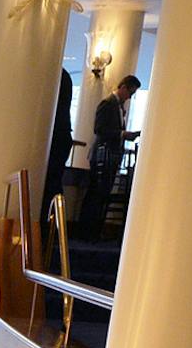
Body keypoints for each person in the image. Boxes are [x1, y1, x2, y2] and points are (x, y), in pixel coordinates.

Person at [78, 73, 142, 240]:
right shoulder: (107, 104)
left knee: (101, 194)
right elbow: (98, 129)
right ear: (123, 87)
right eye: (130, 93)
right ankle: (87, 231)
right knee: (96, 194)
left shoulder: (119, 107)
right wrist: (122, 134)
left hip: (109, 156)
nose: (130, 97)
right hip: (103, 155)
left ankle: (93, 231)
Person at [42, 66, 76, 220]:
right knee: (53, 184)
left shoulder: (53, 74)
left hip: (54, 136)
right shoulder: (64, 76)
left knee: (49, 185)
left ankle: (44, 228)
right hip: (62, 136)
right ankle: (50, 229)